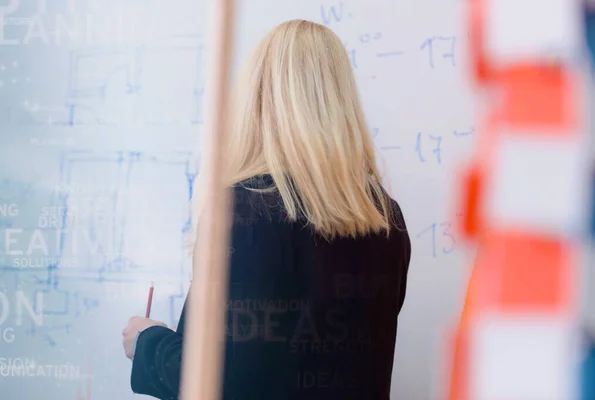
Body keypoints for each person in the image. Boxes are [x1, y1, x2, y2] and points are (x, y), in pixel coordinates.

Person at [122, 19, 411, 400]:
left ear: (257, 100)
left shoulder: (244, 212)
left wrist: (148, 341)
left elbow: (220, 382)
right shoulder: (386, 219)